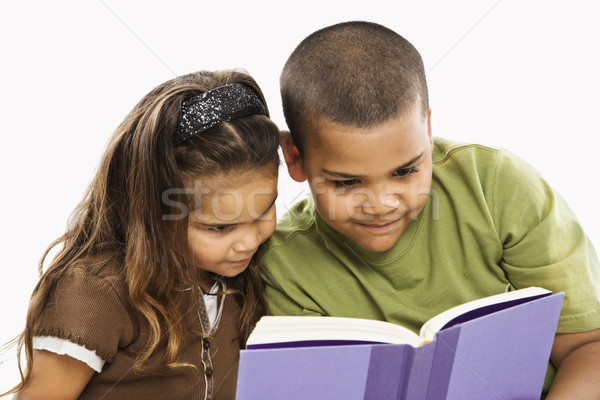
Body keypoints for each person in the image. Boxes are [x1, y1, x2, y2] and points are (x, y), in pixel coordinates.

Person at [260, 21, 600, 398]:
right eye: (346, 182)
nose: (382, 204)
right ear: (294, 157)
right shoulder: (283, 266)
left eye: (406, 171)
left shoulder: (498, 188)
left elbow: (586, 348)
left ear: (428, 128)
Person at [4, 69, 280, 399]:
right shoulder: (97, 291)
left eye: (263, 211)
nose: (250, 241)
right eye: (219, 228)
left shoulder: (239, 277)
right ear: (152, 211)